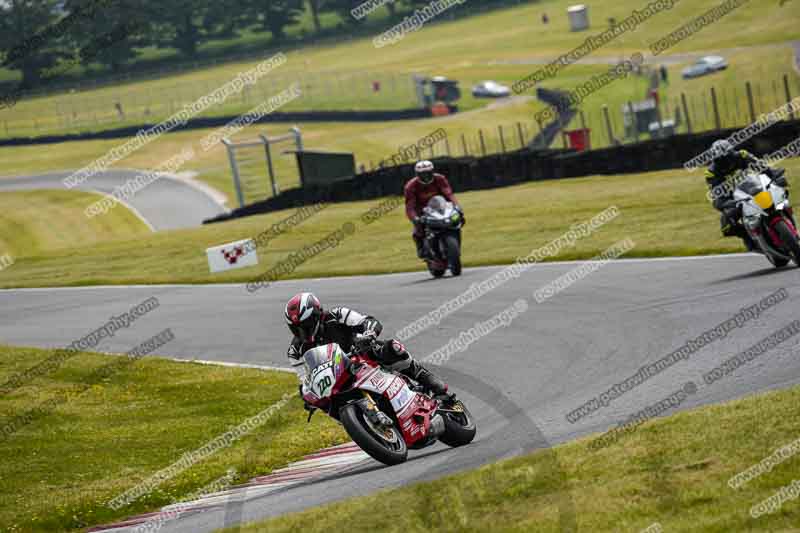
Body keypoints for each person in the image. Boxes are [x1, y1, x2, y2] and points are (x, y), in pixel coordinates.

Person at [284, 292, 453, 409]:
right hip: (337, 378)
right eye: (296, 328)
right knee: (321, 403)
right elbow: (304, 378)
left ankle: (435, 385)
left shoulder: (337, 314)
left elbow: (368, 321)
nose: (302, 332)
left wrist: (368, 334)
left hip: (360, 355)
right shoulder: (295, 350)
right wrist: (306, 394)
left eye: (305, 326)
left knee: (391, 348)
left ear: (317, 314)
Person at [704, 140, 786, 250]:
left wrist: (773, 174)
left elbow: (761, 166)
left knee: (781, 188)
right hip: (733, 198)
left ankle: (785, 215)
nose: (727, 162)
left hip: (754, 186)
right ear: (715, 160)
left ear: (732, 152)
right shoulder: (711, 172)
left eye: (729, 157)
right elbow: (716, 193)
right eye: (722, 160)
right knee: (726, 227)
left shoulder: (742, 155)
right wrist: (723, 203)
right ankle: (748, 237)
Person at [404, 160, 463, 259]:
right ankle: (421, 248)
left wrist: (457, 206)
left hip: (440, 206)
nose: (426, 176)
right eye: (422, 174)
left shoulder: (440, 179)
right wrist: (415, 218)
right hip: (421, 210)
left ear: (432, 171)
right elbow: (410, 206)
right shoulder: (410, 186)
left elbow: (449, 194)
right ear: (417, 174)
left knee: (458, 219)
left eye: (428, 173)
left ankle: (455, 242)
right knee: (419, 229)